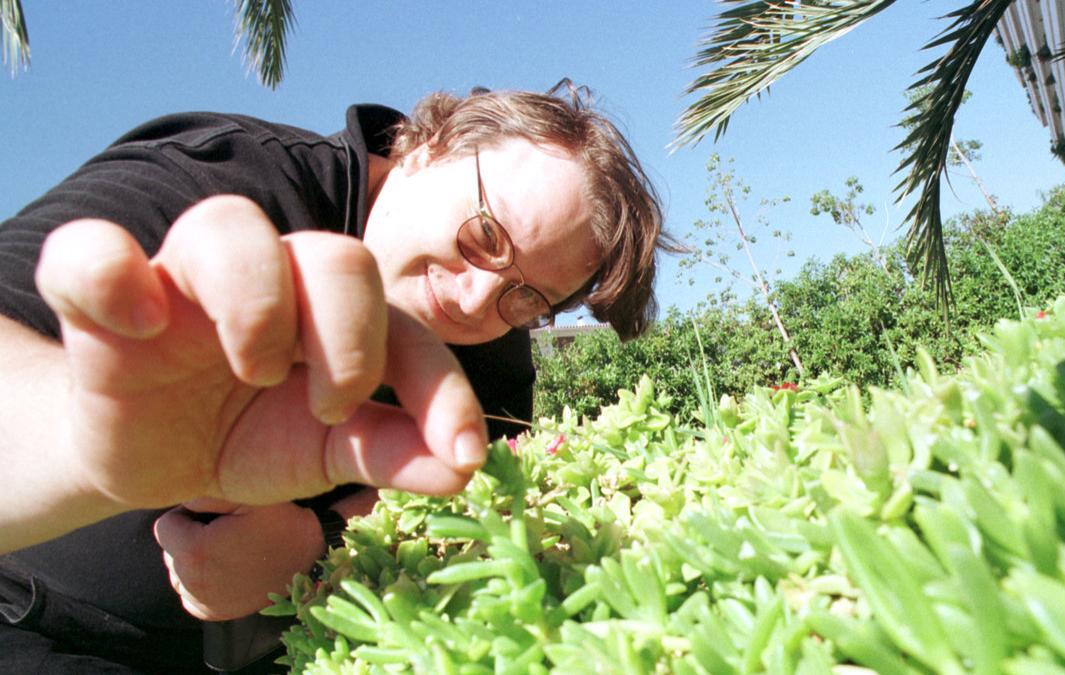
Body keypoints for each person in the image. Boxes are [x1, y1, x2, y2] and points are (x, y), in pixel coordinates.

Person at [0, 81, 668, 672]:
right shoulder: (228, 178)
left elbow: (464, 505)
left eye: (527, 296)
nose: (473, 299)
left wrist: (314, 544)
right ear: (426, 144)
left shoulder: (494, 342)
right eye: (486, 234)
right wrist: (86, 444)